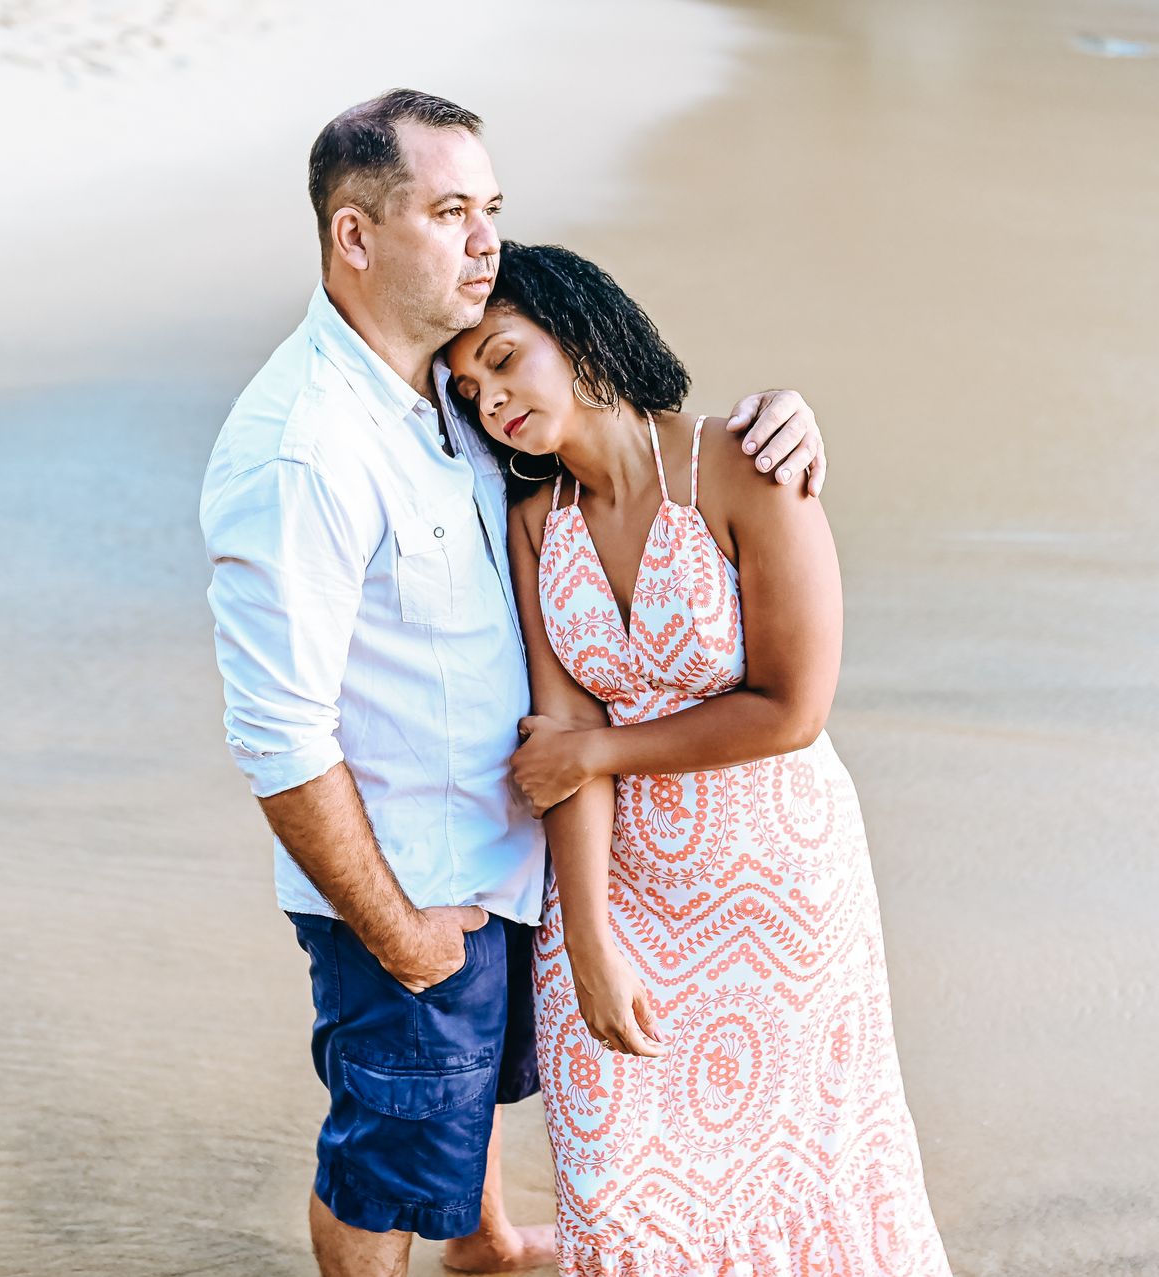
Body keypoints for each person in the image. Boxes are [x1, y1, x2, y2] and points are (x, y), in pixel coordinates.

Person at [199, 91, 826, 1277]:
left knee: (464, 1106)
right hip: (410, 883)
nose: (484, 240)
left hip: (503, 857)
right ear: (356, 236)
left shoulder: (446, 386)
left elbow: (619, 431)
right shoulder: (304, 449)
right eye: (449, 211)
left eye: (491, 209)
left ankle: (484, 1243)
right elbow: (279, 736)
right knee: (383, 1164)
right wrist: (402, 932)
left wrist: (787, 416)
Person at [445, 244, 949, 1275]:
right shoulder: (538, 523)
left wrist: (605, 747)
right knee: (617, 1185)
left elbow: (792, 706)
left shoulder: (740, 463)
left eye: (504, 359)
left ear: (578, 331)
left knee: (802, 1177)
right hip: (624, 892)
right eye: (470, 388)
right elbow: (558, 745)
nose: (493, 398)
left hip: (782, 895)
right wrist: (584, 937)